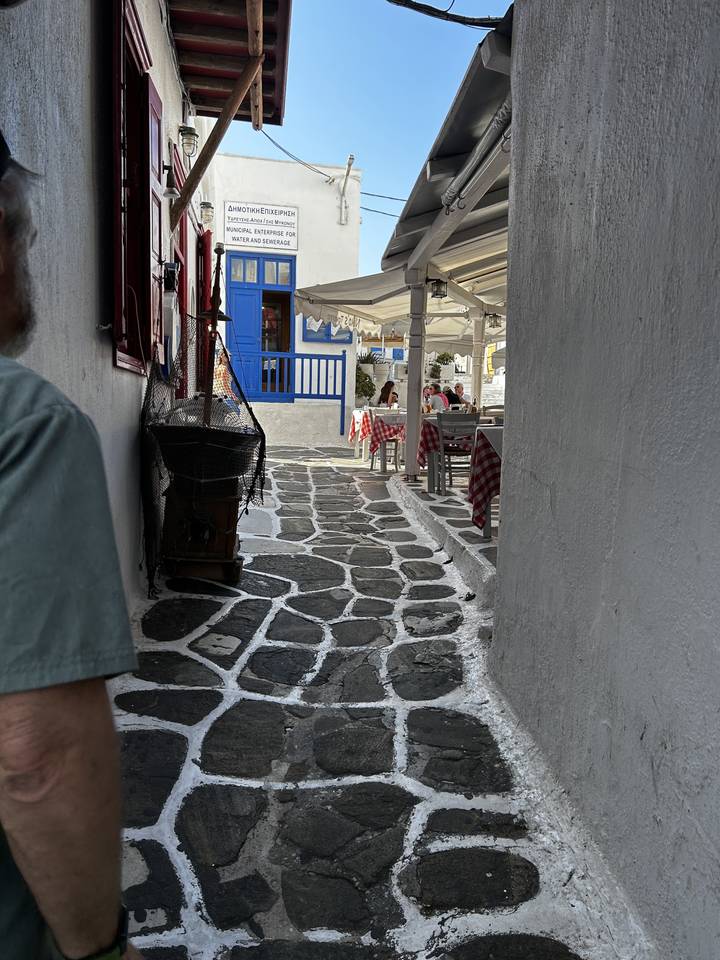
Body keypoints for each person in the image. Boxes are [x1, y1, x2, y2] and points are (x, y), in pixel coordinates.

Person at [0, 133, 142, 959]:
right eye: (27, 239)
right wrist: (100, 946)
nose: (30, 264)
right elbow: (33, 754)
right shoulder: (28, 426)